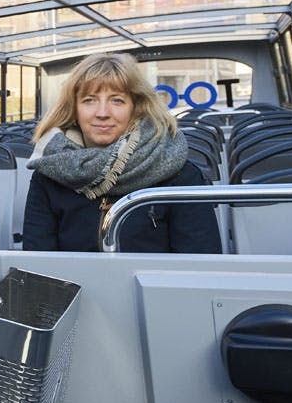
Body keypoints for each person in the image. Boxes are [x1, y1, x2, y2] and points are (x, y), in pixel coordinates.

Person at [23, 52, 221, 253]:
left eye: (116, 100)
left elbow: (200, 261)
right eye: (89, 100)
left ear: (136, 108)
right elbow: (37, 259)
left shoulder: (179, 174)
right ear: (74, 109)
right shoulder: (49, 174)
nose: (102, 113)